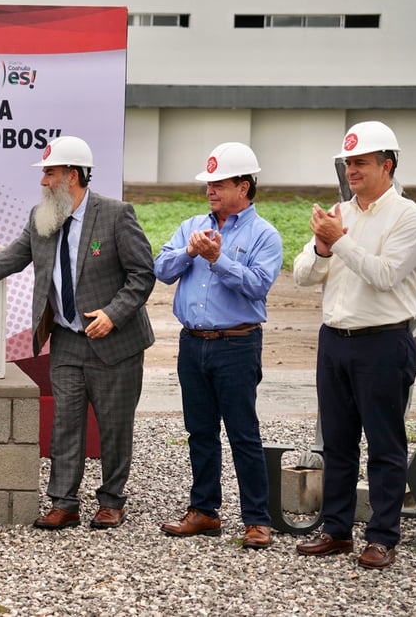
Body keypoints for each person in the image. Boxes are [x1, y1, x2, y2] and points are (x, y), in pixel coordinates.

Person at [0, 136, 155, 531]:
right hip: (69, 340)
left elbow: (143, 275)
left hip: (115, 342)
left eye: (50, 173)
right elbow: (9, 259)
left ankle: (111, 501)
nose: (43, 181)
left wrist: (113, 313)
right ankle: (64, 502)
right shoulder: (42, 219)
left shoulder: (116, 215)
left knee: (114, 425)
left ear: (72, 176)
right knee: (66, 423)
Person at [293, 121, 416, 569]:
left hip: (383, 342)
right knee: (337, 442)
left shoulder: (408, 217)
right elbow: (301, 276)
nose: (351, 170)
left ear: (386, 165)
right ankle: (336, 530)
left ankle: (381, 537)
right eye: (348, 162)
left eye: (360, 162)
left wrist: (340, 241)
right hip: (334, 340)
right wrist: (321, 246)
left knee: (385, 444)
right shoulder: (340, 213)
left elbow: (385, 275)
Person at [153, 142, 282, 550]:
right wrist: (191, 250)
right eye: (208, 183)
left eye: (219, 183)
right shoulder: (192, 224)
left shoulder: (265, 234)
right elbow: (162, 269)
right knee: (199, 431)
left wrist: (217, 259)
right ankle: (205, 511)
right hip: (193, 343)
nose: (210, 190)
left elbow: (258, 286)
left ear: (243, 186)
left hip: (237, 344)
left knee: (243, 432)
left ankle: (257, 520)